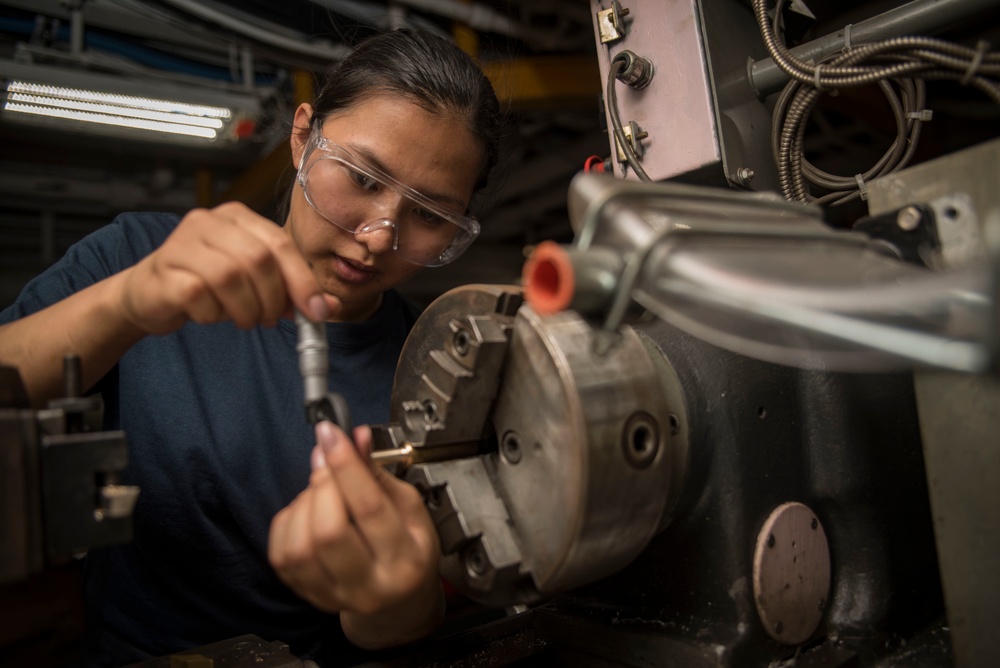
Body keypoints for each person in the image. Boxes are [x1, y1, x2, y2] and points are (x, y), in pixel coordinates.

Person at [0, 28, 505, 666]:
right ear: (301, 138)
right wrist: (125, 303)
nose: (379, 237)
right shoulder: (139, 255)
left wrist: (396, 605)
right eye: (359, 177)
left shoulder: (438, 375)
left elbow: (401, 623)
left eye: (430, 216)